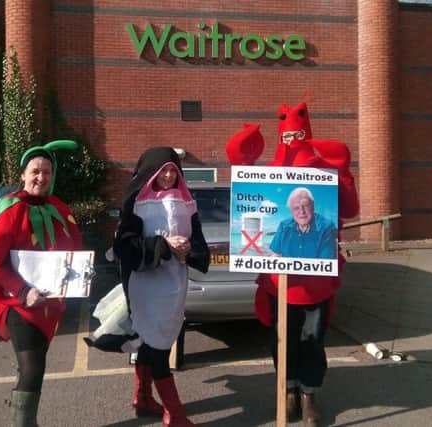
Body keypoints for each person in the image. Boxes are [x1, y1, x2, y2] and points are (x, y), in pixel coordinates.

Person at [226, 101, 359, 426]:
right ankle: (287, 391)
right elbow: (250, 202)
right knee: (281, 340)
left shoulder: (324, 172)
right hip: (279, 282)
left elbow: (351, 210)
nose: (293, 140)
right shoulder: (272, 176)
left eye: (299, 134)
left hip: (316, 284)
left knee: (312, 342)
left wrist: (342, 172)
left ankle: (309, 395)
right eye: (288, 134)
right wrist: (242, 159)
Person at [0, 140, 83, 426]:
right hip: (20, 305)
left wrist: (82, 273)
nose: (41, 177)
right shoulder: (8, 209)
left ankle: (21, 409)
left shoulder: (59, 208)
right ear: (23, 174)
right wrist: (23, 291)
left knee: (33, 367)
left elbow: (73, 253)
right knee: (33, 368)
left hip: (48, 305)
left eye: (47, 172)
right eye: (35, 171)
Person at [113, 146, 210, 427]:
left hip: (174, 286)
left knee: (152, 342)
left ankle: (142, 398)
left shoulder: (186, 202)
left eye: (173, 170)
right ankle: (175, 415)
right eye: (163, 170)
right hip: (145, 287)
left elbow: (199, 243)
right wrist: (164, 246)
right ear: (150, 173)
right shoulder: (136, 203)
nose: (168, 175)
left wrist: (188, 251)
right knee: (156, 349)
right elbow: (125, 248)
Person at [270, 187, 337, 260]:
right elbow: (276, 255)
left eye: (305, 205)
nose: (302, 212)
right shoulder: (284, 226)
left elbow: (326, 263)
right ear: (291, 210)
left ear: (313, 206)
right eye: (296, 208)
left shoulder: (327, 227)